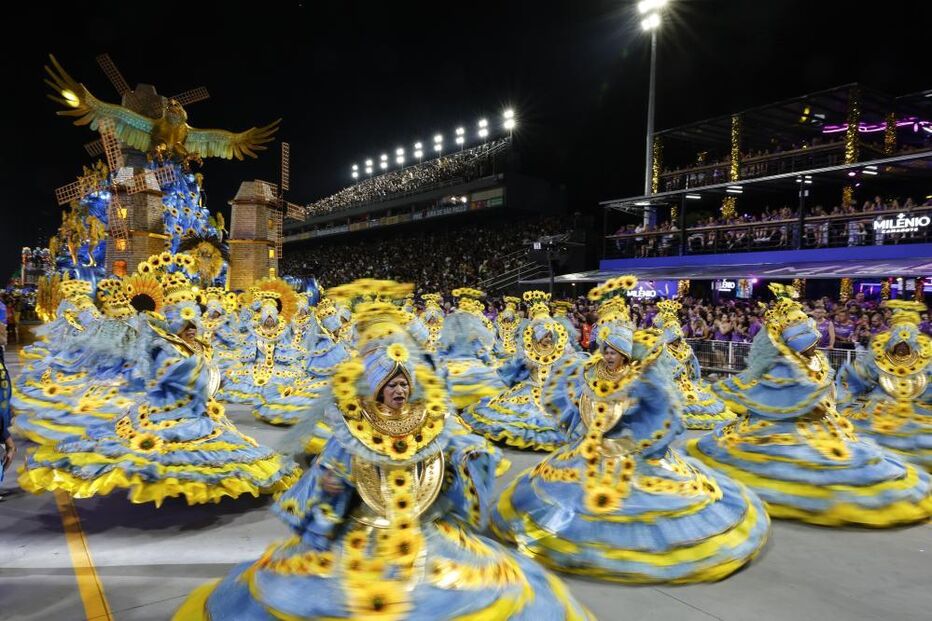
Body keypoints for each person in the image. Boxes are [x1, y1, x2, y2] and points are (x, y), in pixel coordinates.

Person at [173, 288, 592, 620]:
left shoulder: (428, 421)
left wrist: (471, 459)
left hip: (420, 533)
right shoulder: (355, 429)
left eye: (404, 384)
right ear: (375, 389)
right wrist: (326, 506)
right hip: (363, 535)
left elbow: (458, 452)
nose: (399, 390)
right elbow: (327, 478)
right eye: (391, 385)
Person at [491, 275, 770, 583]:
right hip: (594, 447)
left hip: (628, 449)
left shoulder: (639, 378)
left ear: (624, 353)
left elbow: (656, 408)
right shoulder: (589, 371)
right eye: (604, 349)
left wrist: (636, 429)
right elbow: (579, 404)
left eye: (613, 351)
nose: (608, 355)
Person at [688, 284, 932, 527]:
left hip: (829, 425)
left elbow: (843, 382)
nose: (813, 340)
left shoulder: (816, 360)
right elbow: (787, 396)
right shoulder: (785, 366)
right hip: (785, 429)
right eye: (803, 332)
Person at [836, 300, 932, 470]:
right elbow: (862, 378)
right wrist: (851, 374)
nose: (902, 348)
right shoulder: (878, 358)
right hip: (879, 407)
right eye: (899, 344)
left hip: (916, 409)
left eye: (906, 345)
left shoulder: (926, 361)